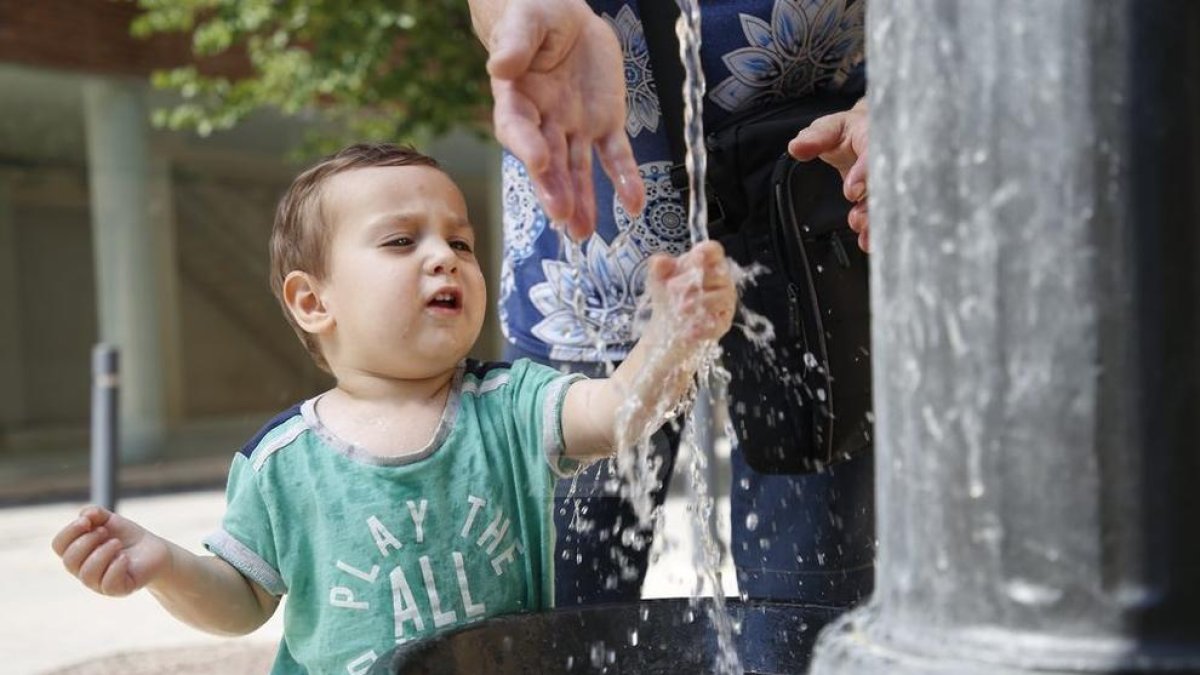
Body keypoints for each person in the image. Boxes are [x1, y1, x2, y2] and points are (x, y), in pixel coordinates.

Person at [50, 143, 736, 674]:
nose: (444, 257)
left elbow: (617, 412)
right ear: (313, 301)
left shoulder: (510, 405)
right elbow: (240, 600)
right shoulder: (283, 464)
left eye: (460, 241)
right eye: (402, 241)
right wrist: (164, 566)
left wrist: (672, 337)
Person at [468, 0, 875, 607]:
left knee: (808, 606)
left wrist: (898, 103)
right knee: (558, 607)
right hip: (592, 237)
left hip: (819, 201)